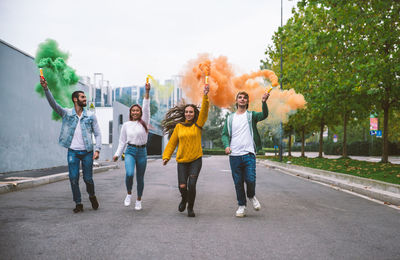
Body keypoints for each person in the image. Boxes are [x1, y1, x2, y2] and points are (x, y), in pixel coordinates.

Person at [40, 77, 101, 213]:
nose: (85, 99)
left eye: (85, 97)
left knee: (88, 179)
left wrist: (97, 149)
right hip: (73, 151)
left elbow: (97, 134)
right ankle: (78, 203)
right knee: (73, 178)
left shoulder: (91, 116)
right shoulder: (67, 113)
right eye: (82, 97)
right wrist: (46, 88)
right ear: (75, 99)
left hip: (87, 152)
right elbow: (53, 104)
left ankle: (92, 195)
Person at [162, 84, 209, 217]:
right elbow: (172, 143)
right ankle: (184, 198)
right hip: (182, 161)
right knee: (182, 186)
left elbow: (204, 111)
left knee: (192, 185)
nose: (188, 114)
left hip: (195, 160)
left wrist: (205, 96)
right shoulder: (179, 127)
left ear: (194, 114)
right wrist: (166, 156)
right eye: (187, 112)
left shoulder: (198, 125)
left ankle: (190, 208)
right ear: (184, 113)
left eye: (191, 112)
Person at [221, 91, 270, 217]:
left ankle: (251, 196)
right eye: (240, 97)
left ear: (247, 102)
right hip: (234, 155)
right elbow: (225, 134)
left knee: (250, 179)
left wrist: (264, 102)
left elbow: (264, 115)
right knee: (238, 182)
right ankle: (241, 206)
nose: (242, 99)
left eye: (245, 98)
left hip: (249, 153)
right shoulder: (230, 118)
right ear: (236, 101)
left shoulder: (251, 115)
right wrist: (226, 146)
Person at [113, 83, 151, 211]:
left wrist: (147, 92)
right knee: (129, 174)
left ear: (140, 112)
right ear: (130, 112)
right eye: (133, 110)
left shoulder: (145, 121)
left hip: (142, 152)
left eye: (137, 110)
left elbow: (146, 107)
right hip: (130, 151)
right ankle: (129, 193)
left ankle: (139, 200)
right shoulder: (126, 125)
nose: (135, 112)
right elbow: (122, 141)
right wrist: (117, 154)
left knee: (140, 178)